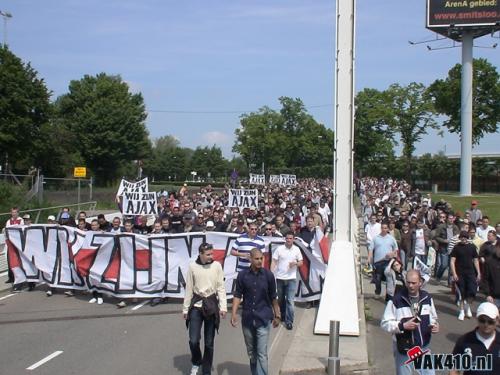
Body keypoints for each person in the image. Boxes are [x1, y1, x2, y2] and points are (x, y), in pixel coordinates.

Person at [231, 248, 281, 375]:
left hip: (263, 318)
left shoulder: (268, 275)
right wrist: (234, 313)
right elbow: (238, 295)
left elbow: (273, 297)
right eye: (257, 258)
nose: (259, 261)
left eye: (261, 258)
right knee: (252, 353)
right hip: (247, 319)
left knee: (262, 353)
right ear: (250, 259)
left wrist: (277, 314)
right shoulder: (242, 275)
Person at [381, 270, 439, 375]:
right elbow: (385, 323)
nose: (410, 286)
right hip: (404, 347)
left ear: (420, 282)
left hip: (423, 346)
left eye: (414, 283)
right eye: (408, 282)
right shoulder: (396, 300)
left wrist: (434, 325)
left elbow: (433, 318)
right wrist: (402, 326)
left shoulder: (427, 298)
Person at [183, 243, 227, 375]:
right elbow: (189, 289)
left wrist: (223, 307)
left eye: (212, 254)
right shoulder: (192, 267)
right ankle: (196, 361)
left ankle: (206, 370)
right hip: (196, 306)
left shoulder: (217, 266)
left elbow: (221, 287)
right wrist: (185, 309)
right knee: (193, 340)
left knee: (209, 342)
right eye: (208, 254)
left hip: (211, 305)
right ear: (200, 254)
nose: (211, 256)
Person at [450, 302, 500, 375]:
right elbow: (454, 368)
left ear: (497, 321)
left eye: (490, 321)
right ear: (477, 319)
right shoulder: (464, 341)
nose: (486, 324)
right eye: (482, 320)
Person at [271, 232, 303, 330]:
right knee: (280, 299)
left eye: (290, 238)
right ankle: (283, 315)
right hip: (280, 278)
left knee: (290, 300)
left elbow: (301, 262)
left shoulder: (297, 249)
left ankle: (289, 321)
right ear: (285, 239)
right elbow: (274, 261)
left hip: (291, 279)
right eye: (287, 238)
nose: (289, 240)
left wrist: (295, 264)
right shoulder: (279, 249)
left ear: (293, 239)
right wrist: (271, 274)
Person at [450, 231, 481, 321]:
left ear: (467, 238)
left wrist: (478, 272)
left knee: (472, 290)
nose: (463, 238)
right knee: (462, 292)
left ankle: (467, 306)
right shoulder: (456, 247)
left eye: (465, 237)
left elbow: (475, 260)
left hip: (470, 272)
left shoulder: (472, 247)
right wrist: (454, 273)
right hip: (460, 273)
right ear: (460, 238)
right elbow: (452, 261)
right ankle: (462, 311)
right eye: (462, 237)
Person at [367, 222, 398, 297]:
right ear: (381, 228)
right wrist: (369, 259)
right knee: (378, 278)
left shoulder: (391, 238)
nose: (384, 229)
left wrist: (392, 254)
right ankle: (378, 291)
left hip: (388, 262)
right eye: (382, 228)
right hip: (378, 262)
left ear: (387, 229)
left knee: (389, 278)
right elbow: (371, 250)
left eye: (385, 228)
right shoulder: (375, 238)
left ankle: (388, 294)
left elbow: (396, 250)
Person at [483, 240, 500, 309]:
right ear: (496, 248)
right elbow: (485, 279)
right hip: (494, 297)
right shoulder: (490, 262)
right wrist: (488, 294)